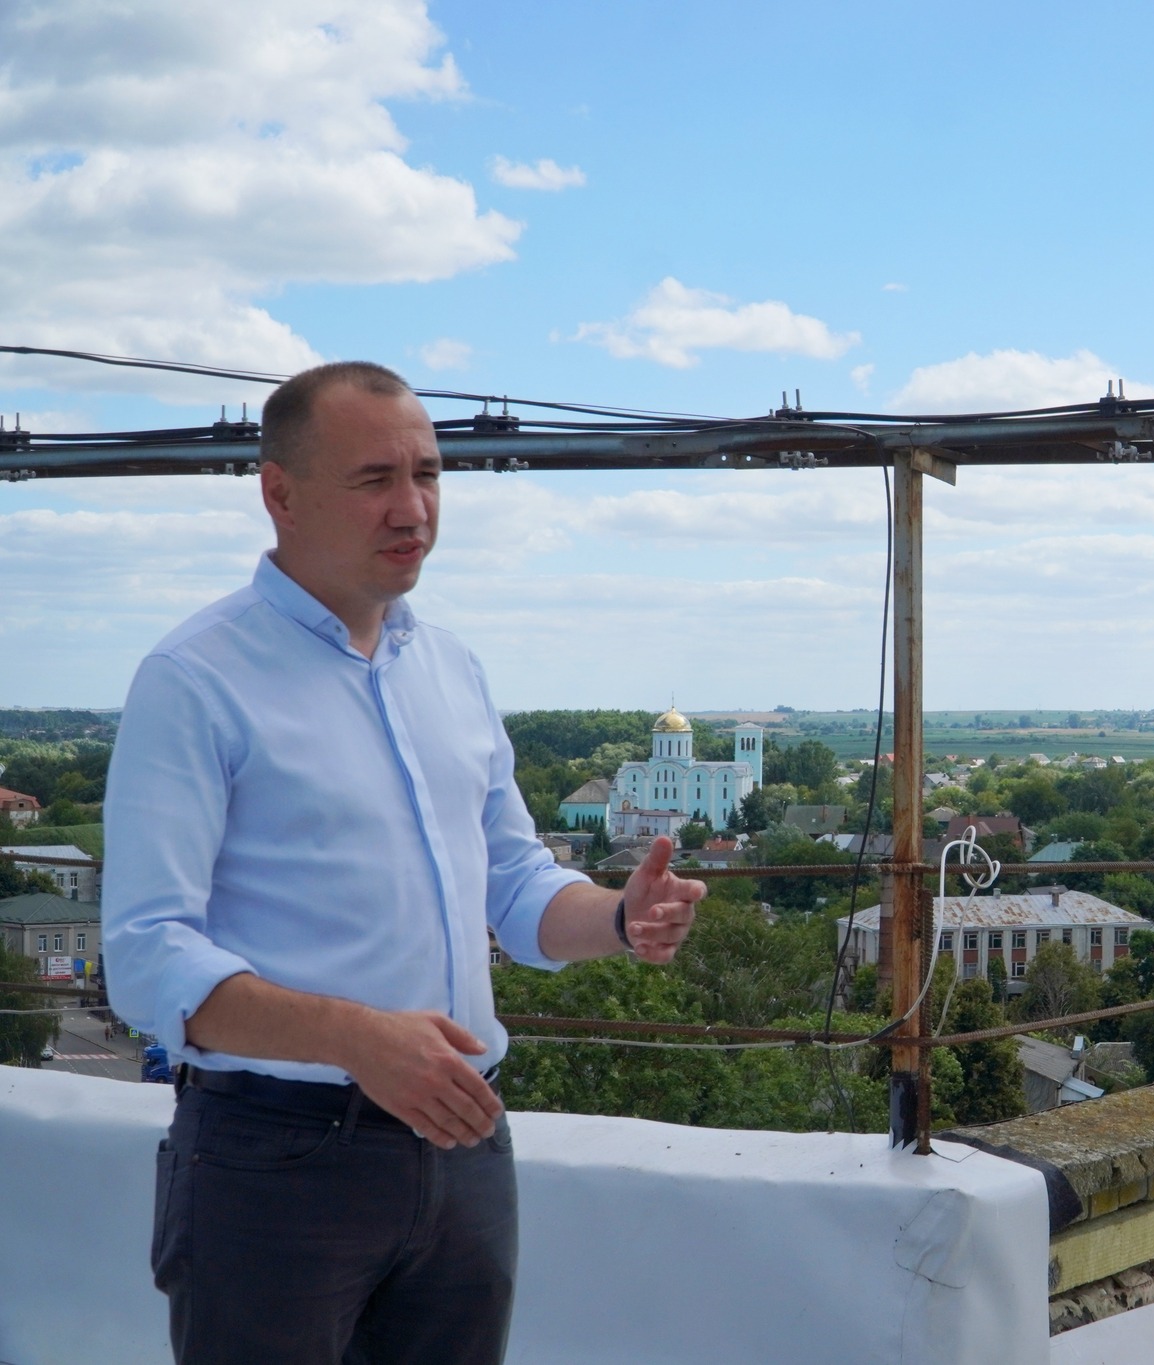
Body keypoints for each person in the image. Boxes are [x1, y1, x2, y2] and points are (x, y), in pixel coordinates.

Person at [102, 361, 707, 1365]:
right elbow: (145, 955)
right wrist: (356, 1040)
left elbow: (515, 885)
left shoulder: (451, 669)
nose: (413, 507)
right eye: (374, 478)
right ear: (280, 493)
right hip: (275, 1162)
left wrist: (617, 917)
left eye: (427, 474)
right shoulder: (195, 678)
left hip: (463, 1150)